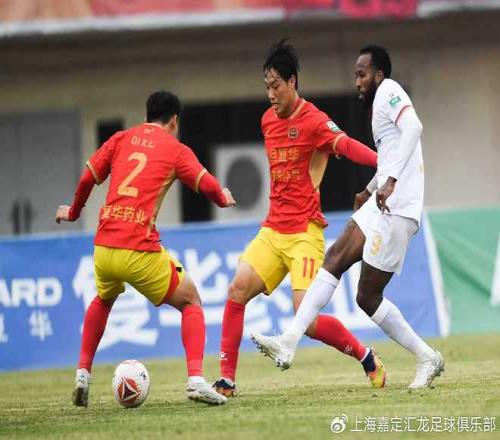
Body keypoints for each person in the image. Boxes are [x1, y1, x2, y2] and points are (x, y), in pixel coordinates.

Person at [251, 45, 445, 390]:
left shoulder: (389, 90)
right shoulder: (379, 107)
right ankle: (289, 341)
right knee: (335, 257)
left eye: (362, 74)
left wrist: (390, 182)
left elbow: (414, 128)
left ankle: (427, 356)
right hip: (382, 201)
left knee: (367, 297)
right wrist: (370, 189)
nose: (357, 81)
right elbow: (391, 155)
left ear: (379, 75)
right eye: (356, 75)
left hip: (399, 207)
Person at [213, 38, 386, 398]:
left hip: (305, 233)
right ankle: (226, 380)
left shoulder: (315, 121)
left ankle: (366, 356)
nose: (270, 94)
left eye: (276, 85)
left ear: (292, 82)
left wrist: (384, 163)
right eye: (266, 86)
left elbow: (346, 145)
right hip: (272, 229)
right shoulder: (267, 120)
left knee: (305, 320)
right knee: (236, 290)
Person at [56, 91, 235, 406]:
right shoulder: (175, 149)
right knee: (191, 300)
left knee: (103, 299)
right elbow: (207, 185)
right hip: (138, 248)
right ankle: (196, 379)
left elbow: (86, 179)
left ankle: (82, 373)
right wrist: (224, 197)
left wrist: (73, 212)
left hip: (104, 247)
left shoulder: (121, 138)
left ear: (146, 116)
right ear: (174, 120)